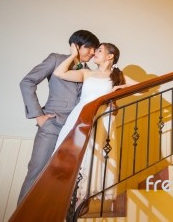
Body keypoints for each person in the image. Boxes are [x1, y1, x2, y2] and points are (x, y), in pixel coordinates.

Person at [17, 30, 100, 205]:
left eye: (95, 50)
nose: (93, 53)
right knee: (37, 171)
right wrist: (39, 116)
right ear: (76, 46)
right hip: (52, 125)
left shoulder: (91, 73)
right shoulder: (56, 59)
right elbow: (27, 82)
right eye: (89, 48)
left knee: (64, 178)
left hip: (76, 130)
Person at [53, 42, 137, 206]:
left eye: (99, 50)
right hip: (79, 116)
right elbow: (59, 72)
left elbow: (143, 89)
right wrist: (72, 56)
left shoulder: (117, 76)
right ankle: (66, 201)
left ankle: (79, 204)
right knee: (72, 153)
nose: (94, 53)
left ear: (110, 56)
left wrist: (122, 88)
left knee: (91, 157)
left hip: (101, 120)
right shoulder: (86, 73)